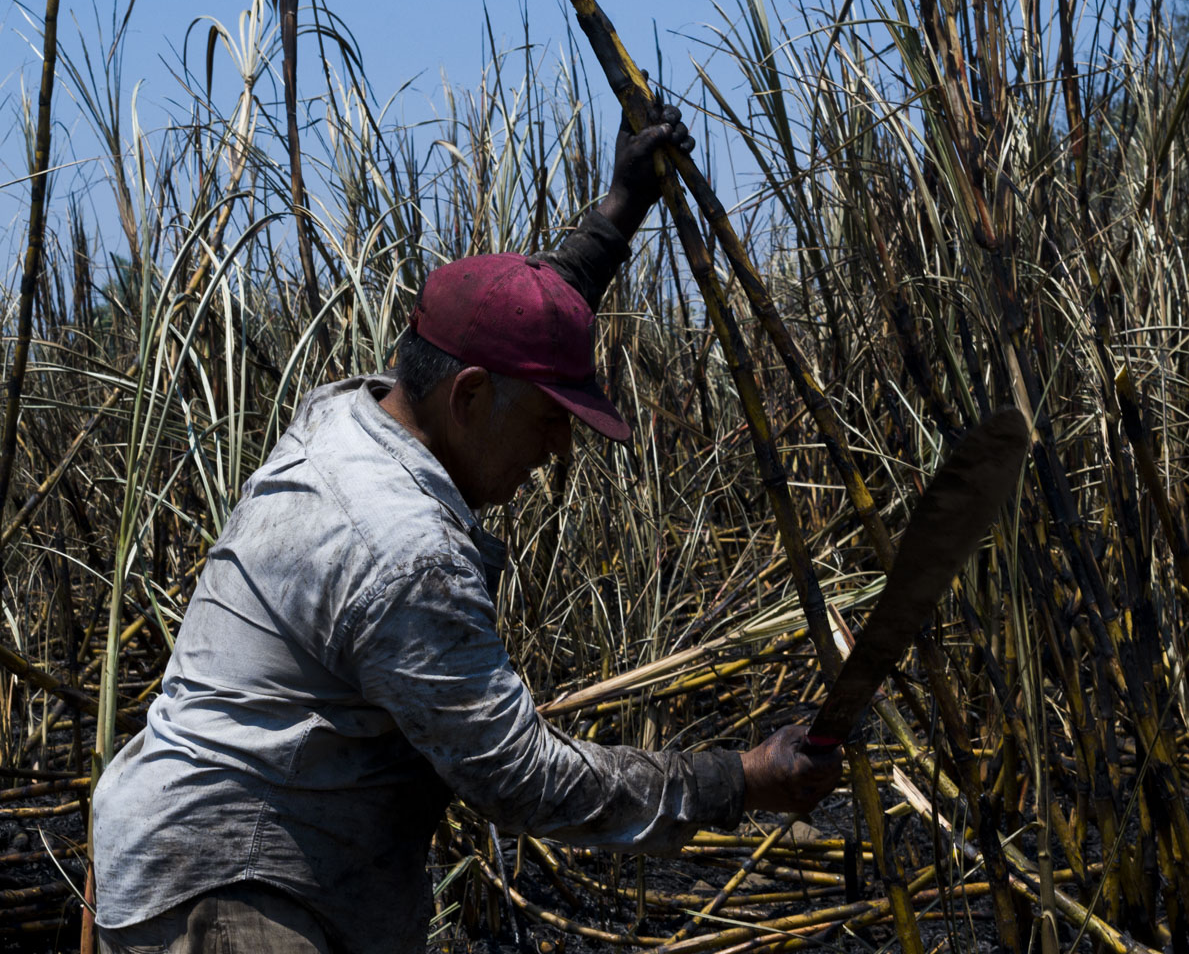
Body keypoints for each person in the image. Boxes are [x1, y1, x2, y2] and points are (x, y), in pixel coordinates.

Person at [91, 104, 842, 954]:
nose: (559, 450)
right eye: (550, 420)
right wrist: (736, 782)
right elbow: (517, 778)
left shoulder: (357, 413)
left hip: (184, 848)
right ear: (472, 397)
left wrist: (621, 207)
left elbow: (518, 318)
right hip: (232, 893)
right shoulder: (402, 548)